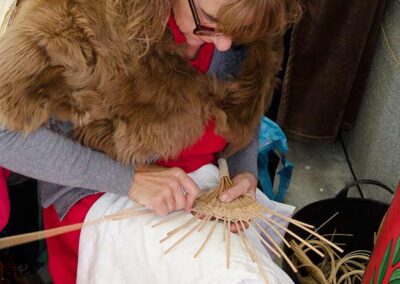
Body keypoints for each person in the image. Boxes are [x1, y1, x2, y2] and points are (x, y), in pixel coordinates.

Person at [0, 0, 301, 282]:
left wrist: (242, 170)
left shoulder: (252, 18)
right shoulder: (74, 17)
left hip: (202, 186)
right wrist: (128, 179)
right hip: (99, 187)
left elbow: (244, 109)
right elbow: (4, 135)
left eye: (240, 33)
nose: (224, 44)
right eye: (210, 21)